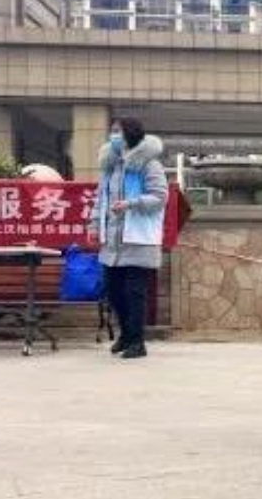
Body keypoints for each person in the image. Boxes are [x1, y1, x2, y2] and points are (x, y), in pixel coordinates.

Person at [88, 117, 168, 359]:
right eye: (112, 131)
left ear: (130, 134)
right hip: (113, 240)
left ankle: (137, 341)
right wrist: (94, 225)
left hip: (138, 238)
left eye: (117, 131)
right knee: (113, 291)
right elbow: (100, 200)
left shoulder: (149, 164)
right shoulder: (111, 166)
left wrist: (132, 203)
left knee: (135, 293)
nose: (113, 135)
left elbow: (160, 197)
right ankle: (125, 334)